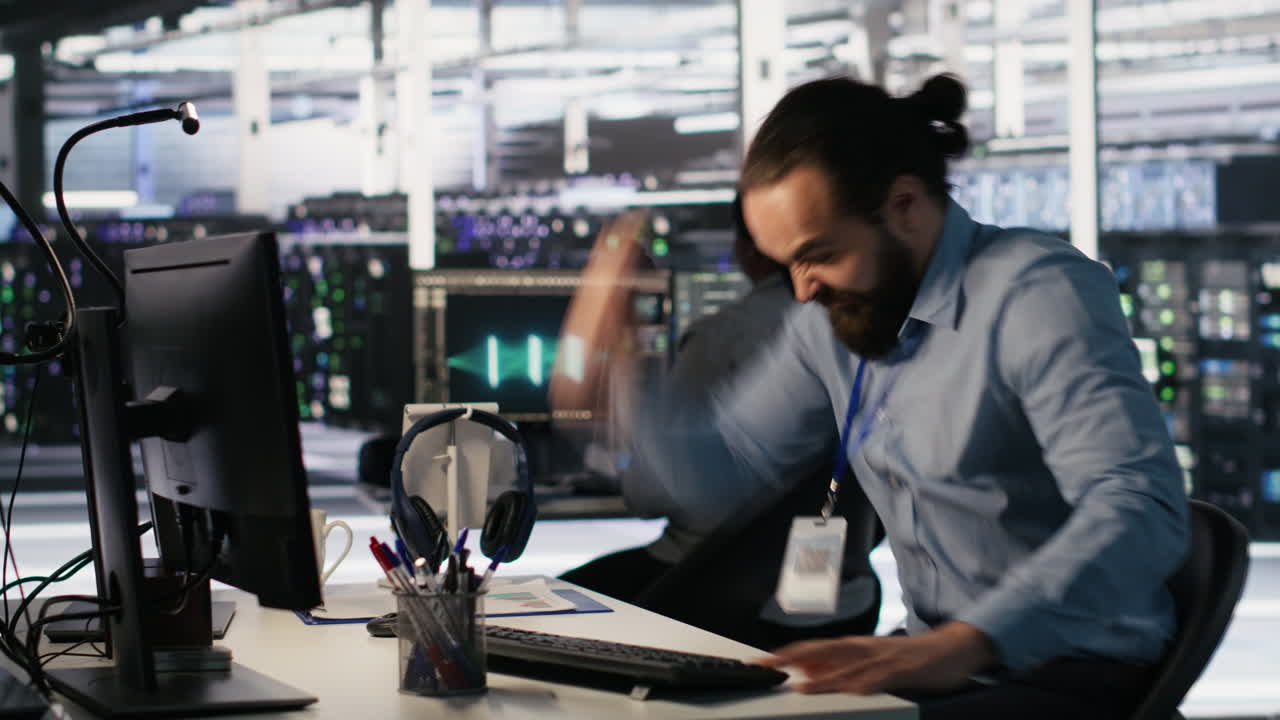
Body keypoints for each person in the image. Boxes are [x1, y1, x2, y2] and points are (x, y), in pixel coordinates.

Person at [550, 73, 1189, 720]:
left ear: (905, 207)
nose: (801, 291)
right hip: (942, 664)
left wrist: (968, 643)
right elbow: (722, 466)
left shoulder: (1036, 294)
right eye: (786, 265)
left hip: (1072, 669)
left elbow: (1142, 507)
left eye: (817, 254)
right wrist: (612, 380)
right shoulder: (832, 322)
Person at [560, 198, 882, 647]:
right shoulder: (842, 332)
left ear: (750, 246)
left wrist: (618, 343)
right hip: (849, 598)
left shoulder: (724, 336)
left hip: (717, 594)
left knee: (551, 609)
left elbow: (651, 496)